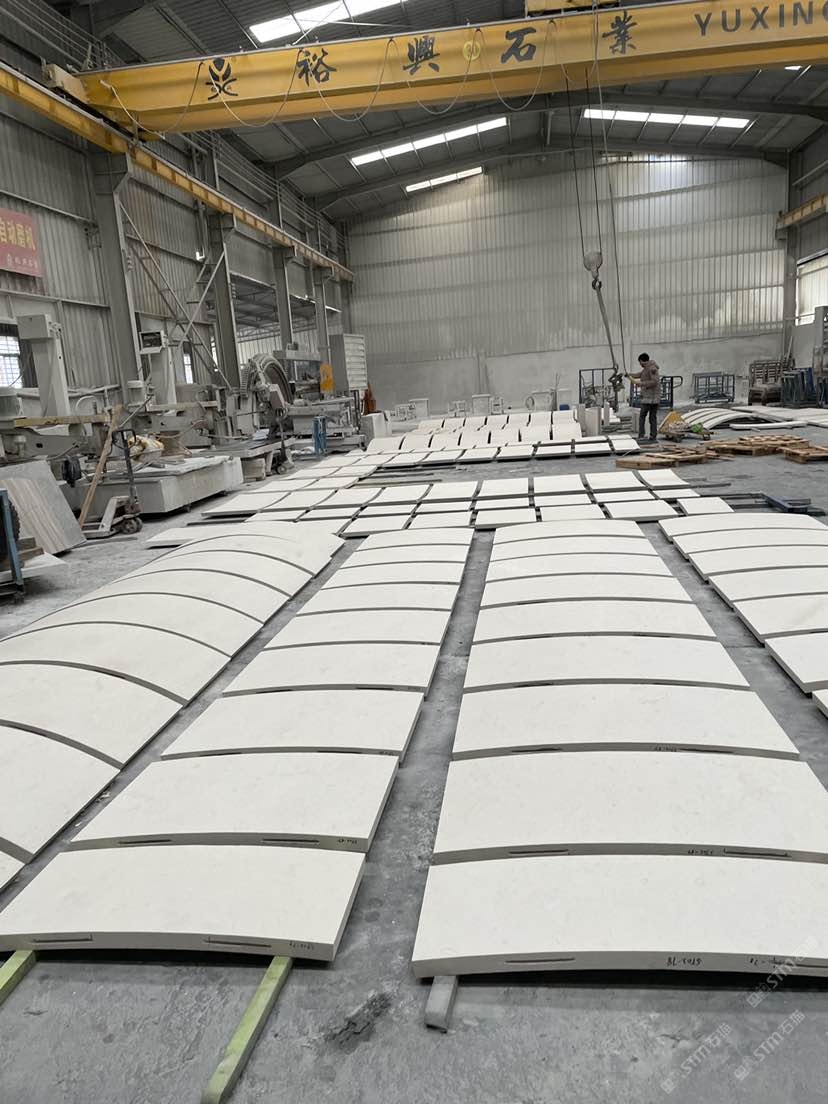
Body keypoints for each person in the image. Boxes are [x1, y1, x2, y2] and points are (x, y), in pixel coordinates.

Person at [630, 353, 661, 442]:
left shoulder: (652, 368)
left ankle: (643, 436)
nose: (640, 364)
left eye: (640, 362)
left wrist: (641, 383)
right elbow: (638, 375)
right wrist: (628, 374)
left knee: (644, 416)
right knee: (651, 417)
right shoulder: (646, 368)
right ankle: (652, 436)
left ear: (642, 361)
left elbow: (655, 382)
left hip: (651, 398)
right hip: (650, 397)